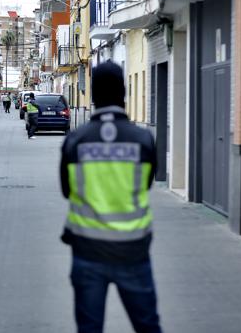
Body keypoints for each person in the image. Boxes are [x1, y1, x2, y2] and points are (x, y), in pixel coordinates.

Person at [59, 61, 162, 333]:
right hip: (133, 250)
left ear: (93, 95)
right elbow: (147, 184)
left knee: (89, 328)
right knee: (148, 325)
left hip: (88, 251)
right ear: (124, 93)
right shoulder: (142, 139)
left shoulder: (76, 140)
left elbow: (66, 190)